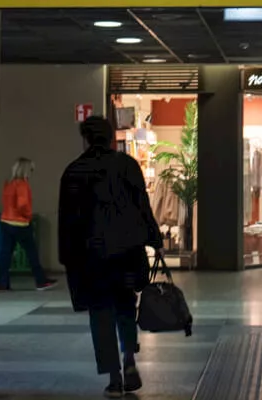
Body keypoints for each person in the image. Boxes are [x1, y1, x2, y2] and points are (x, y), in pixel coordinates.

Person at [59, 116, 163, 398]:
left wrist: (67, 257)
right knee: (126, 305)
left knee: (100, 313)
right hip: (126, 252)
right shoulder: (127, 166)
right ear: (111, 137)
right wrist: (155, 238)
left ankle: (114, 377)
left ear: (85, 139)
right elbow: (143, 205)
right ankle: (129, 359)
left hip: (91, 256)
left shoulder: (74, 171)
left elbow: (67, 220)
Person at [0, 157, 57, 292]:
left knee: (5, 254)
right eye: (31, 169)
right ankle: (41, 281)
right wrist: (28, 215)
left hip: (6, 221)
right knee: (32, 253)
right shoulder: (22, 184)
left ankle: (0, 283)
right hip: (20, 223)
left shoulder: (9, 184)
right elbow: (23, 204)